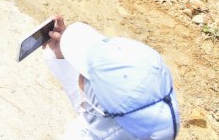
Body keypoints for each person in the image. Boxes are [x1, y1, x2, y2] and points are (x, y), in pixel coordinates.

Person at [44, 15, 180, 139]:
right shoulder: (125, 126)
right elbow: (88, 109)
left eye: (91, 77)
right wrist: (62, 54)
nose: (81, 78)